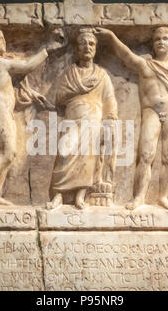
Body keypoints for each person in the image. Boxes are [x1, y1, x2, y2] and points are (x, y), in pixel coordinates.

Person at [96, 26, 168, 210]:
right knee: (146, 156)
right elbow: (126, 55)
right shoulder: (145, 65)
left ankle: (163, 197)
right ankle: (139, 197)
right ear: (153, 44)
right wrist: (111, 35)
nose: (161, 42)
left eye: (165, 38)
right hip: (151, 112)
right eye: (157, 39)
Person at [0, 28, 61, 210]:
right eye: (1, 38)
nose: (4, 42)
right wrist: (47, 49)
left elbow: (6, 86)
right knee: (8, 152)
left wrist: (31, 93)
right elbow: (27, 65)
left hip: (1, 110)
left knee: (8, 152)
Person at [48, 29, 118, 210]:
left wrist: (109, 121)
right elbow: (59, 97)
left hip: (94, 121)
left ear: (95, 48)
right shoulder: (70, 73)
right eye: (83, 44)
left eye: (91, 44)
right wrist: (77, 91)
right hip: (72, 118)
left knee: (88, 158)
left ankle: (80, 196)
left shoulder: (102, 76)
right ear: (77, 49)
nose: (87, 47)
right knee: (64, 153)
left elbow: (109, 101)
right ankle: (58, 195)